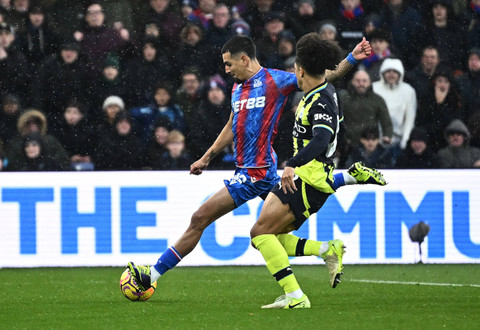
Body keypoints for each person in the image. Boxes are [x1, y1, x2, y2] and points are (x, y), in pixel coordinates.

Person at [127, 34, 382, 300]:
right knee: (269, 235)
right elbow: (231, 125)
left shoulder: (276, 80)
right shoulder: (237, 88)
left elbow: (321, 77)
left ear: (245, 59)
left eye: (228, 64)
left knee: (200, 218)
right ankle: (325, 248)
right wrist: (207, 157)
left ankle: (151, 275)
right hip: (257, 171)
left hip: (256, 172)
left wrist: (352, 58)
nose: (226, 70)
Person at [250, 33, 386, 309]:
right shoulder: (319, 90)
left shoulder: (320, 102)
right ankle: (326, 249)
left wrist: (291, 165)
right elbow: (330, 75)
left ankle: (296, 296)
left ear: (300, 69)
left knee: (260, 234)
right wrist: (350, 58)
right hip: (310, 178)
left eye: (295, 68)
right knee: (267, 236)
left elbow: (322, 140)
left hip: (306, 180)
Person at [339, 69, 392, 162]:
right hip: (348, 145)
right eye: (358, 81)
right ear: (352, 82)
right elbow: (337, 120)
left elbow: (386, 121)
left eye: (364, 81)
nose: (361, 84)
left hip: (370, 144)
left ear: (369, 82)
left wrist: (387, 136)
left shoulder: (377, 100)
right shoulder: (343, 98)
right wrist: (341, 139)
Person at [372, 58, 417, 161]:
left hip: (398, 143)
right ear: (382, 73)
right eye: (388, 71)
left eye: (394, 72)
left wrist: (405, 141)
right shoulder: (374, 88)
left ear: (400, 74)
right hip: (375, 143)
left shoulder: (408, 91)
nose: (391, 74)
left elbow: (410, 119)